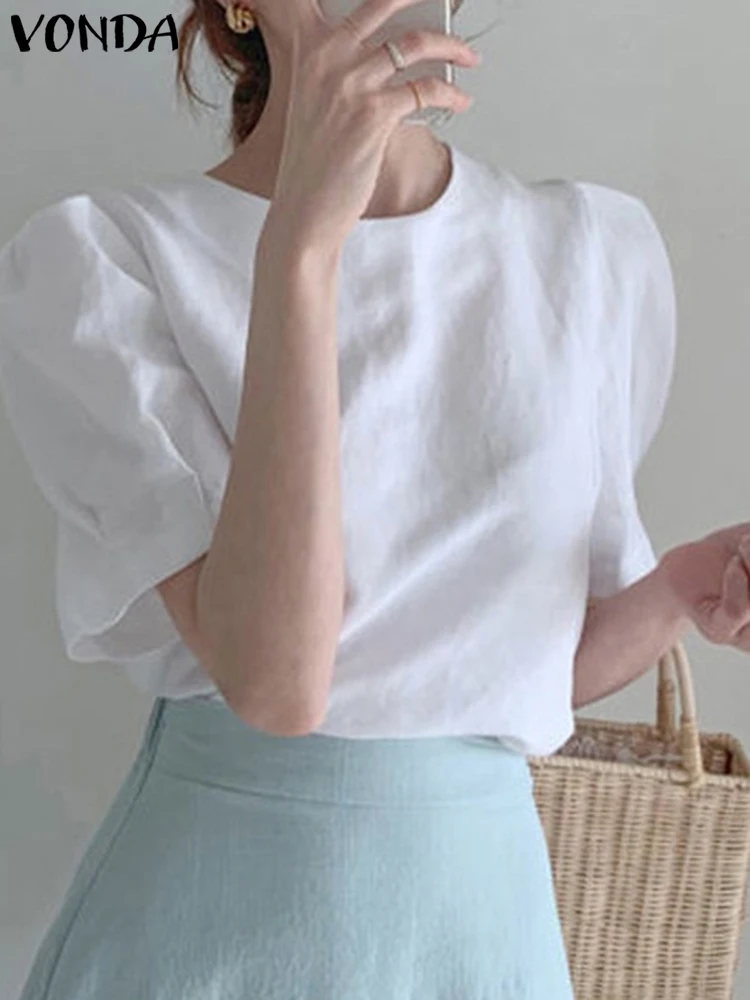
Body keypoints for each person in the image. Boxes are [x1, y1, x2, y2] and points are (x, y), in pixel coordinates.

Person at [10, 0, 749, 996]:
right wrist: (302, 251)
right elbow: (278, 686)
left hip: (480, 927)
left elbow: (501, 671)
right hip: (211, 925)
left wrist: (676, 590)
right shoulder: (107, 261)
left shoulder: (587, 251)